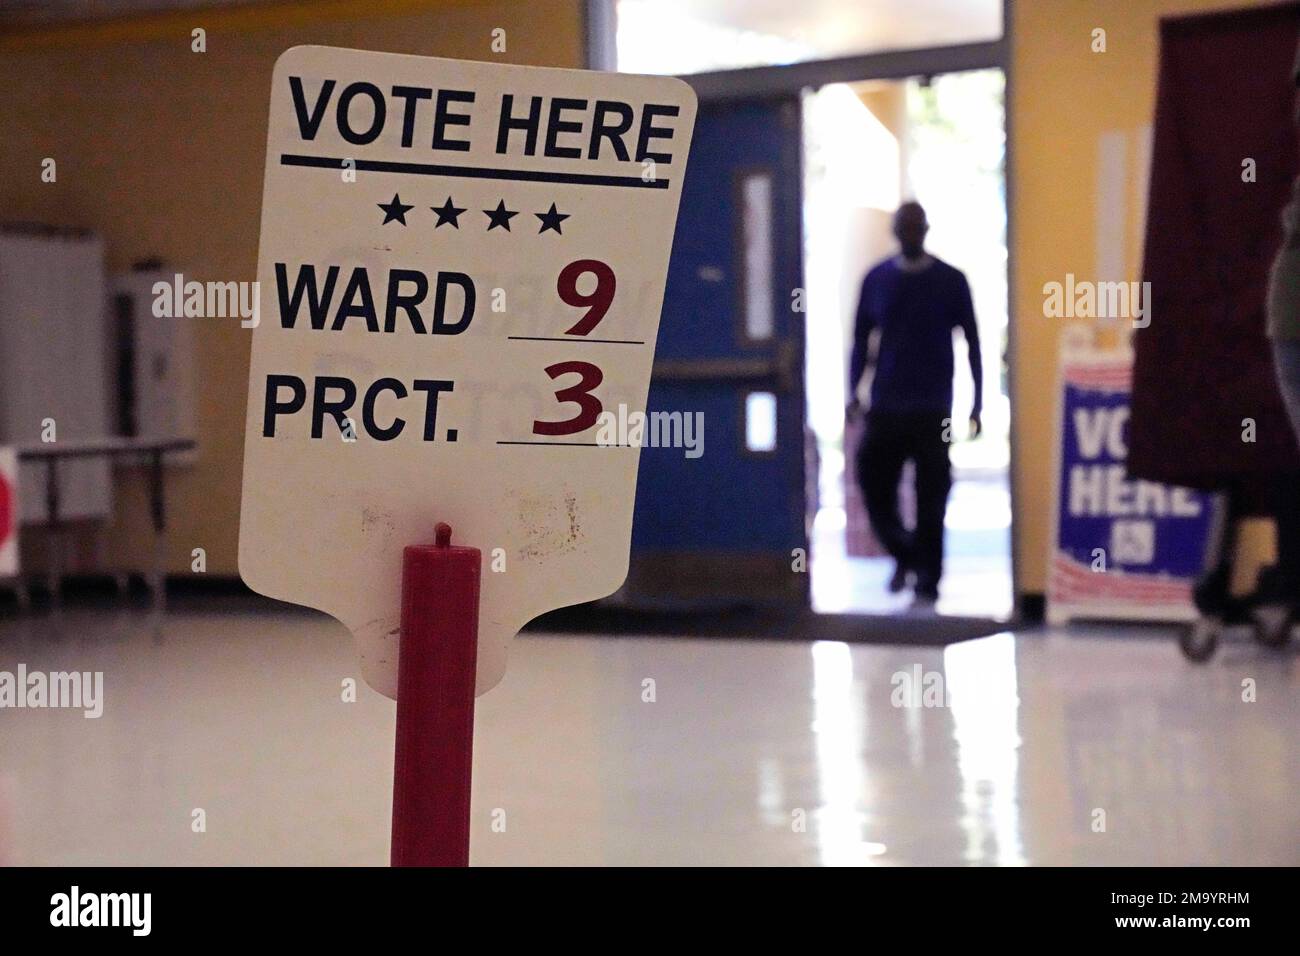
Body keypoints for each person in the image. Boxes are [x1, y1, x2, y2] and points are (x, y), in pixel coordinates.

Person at [846, 201, 982, 605]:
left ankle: (928, 577)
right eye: (903, 228)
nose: (910, 235)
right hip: (886, 404)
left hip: (932, 408)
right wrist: (852, 390)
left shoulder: (951, 281)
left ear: (926, 230)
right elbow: (860, 341)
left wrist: (977, 404)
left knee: (932, 496)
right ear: (894, 232)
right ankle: (905, 552)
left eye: (916, 227)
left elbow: (973, 342)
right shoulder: (876, 280)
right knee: (872, 480)